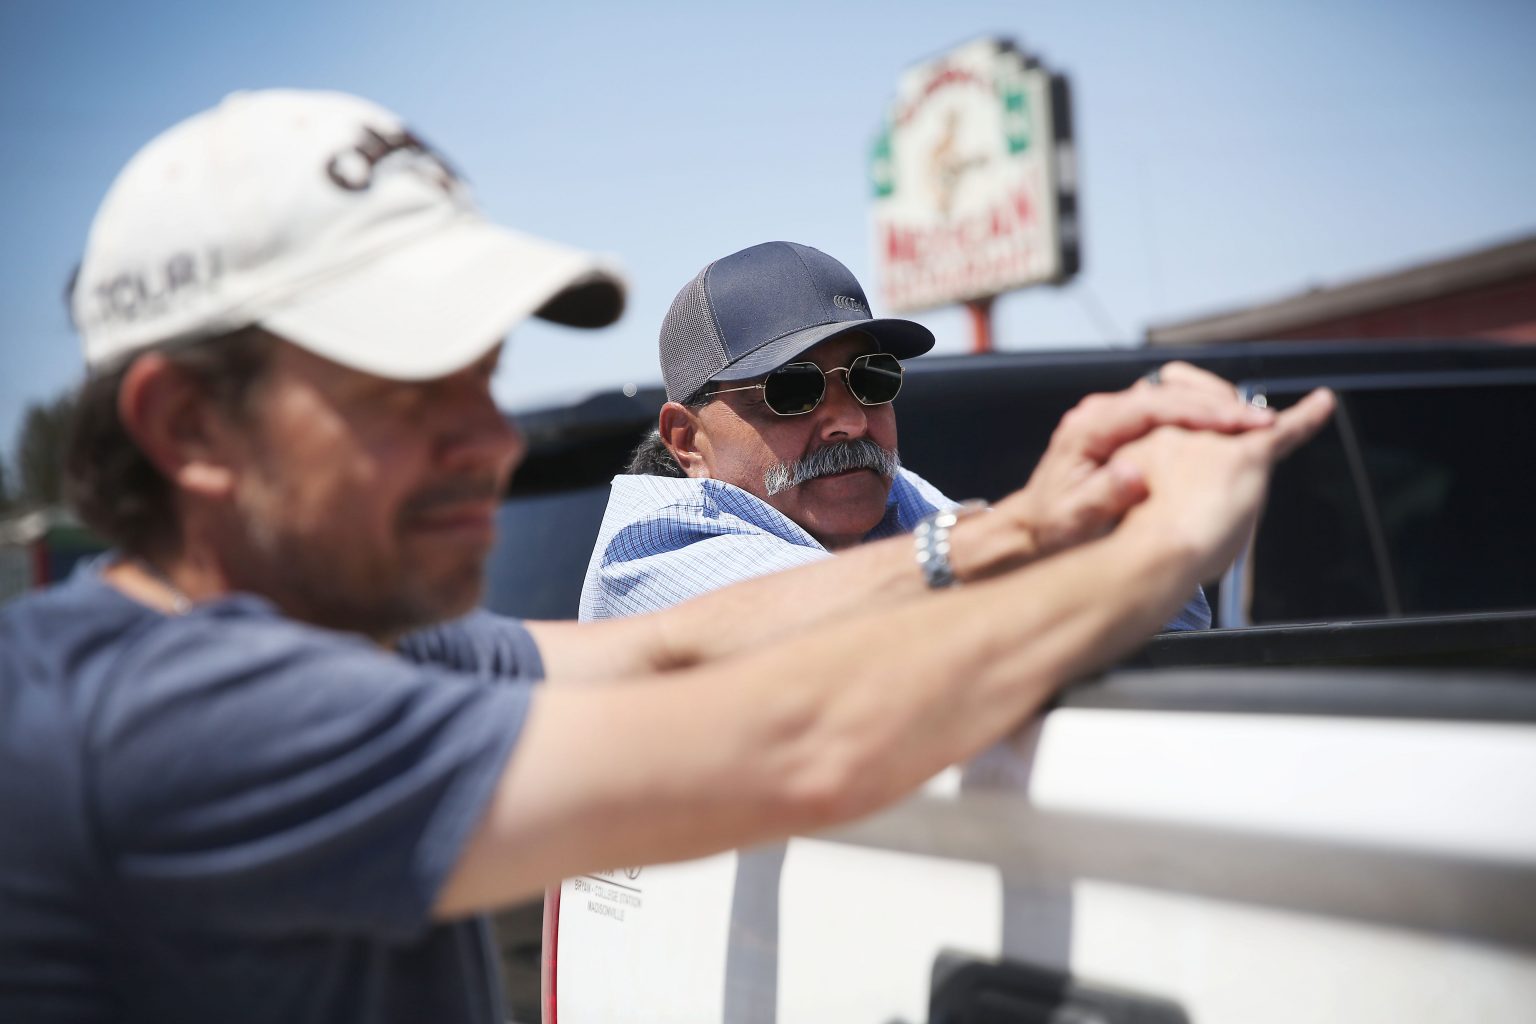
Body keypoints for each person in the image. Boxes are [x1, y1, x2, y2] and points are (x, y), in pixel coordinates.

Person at [0, 88, 1334, 1024]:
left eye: (485, 378)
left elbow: (672, 645)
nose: (487, 442)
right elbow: (796, 741)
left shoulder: (331, 638)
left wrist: (1025, 524)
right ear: (188, 428)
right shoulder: (180, 722)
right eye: (412, 394)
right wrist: (1151, 545)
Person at [579, 241, 1210, 627]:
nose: (850, 419)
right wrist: (1032, 534)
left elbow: (1166, 615)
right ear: (687, 441)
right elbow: (867, 632)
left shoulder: (881, 494)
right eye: (792, 391)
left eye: (871, 379)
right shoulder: (650, 547)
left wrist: (1151, 504)